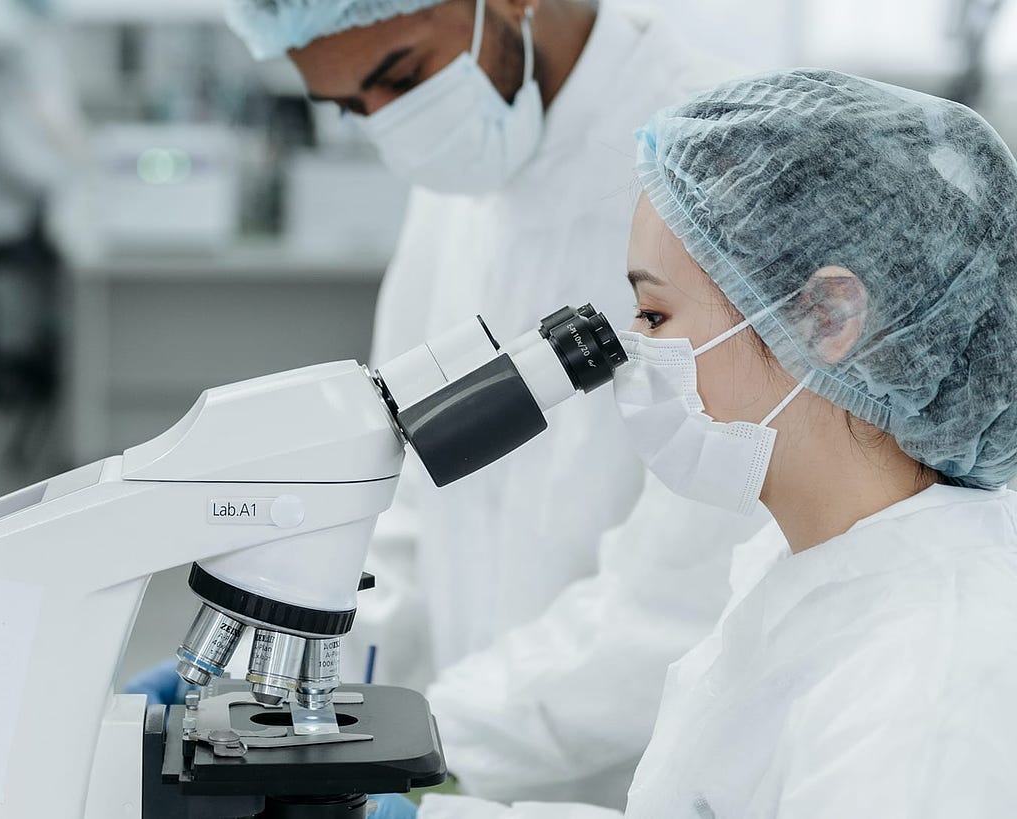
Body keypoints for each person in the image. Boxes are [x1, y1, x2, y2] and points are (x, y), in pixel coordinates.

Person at [411, 67, 1017, 817]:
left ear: (828, 318)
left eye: (655, 314)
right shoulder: (812, 570)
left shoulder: (926, 675)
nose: (631, 349)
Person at [210, 0, 767, 807]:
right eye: (352, 108)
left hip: (642, 773)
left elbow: (693, 591)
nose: (392, 127)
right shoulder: (458, 167)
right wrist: (298, 685)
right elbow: (396, 482)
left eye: (400, 74)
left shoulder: (737, 160)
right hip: (462, 758)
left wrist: (438, 742)